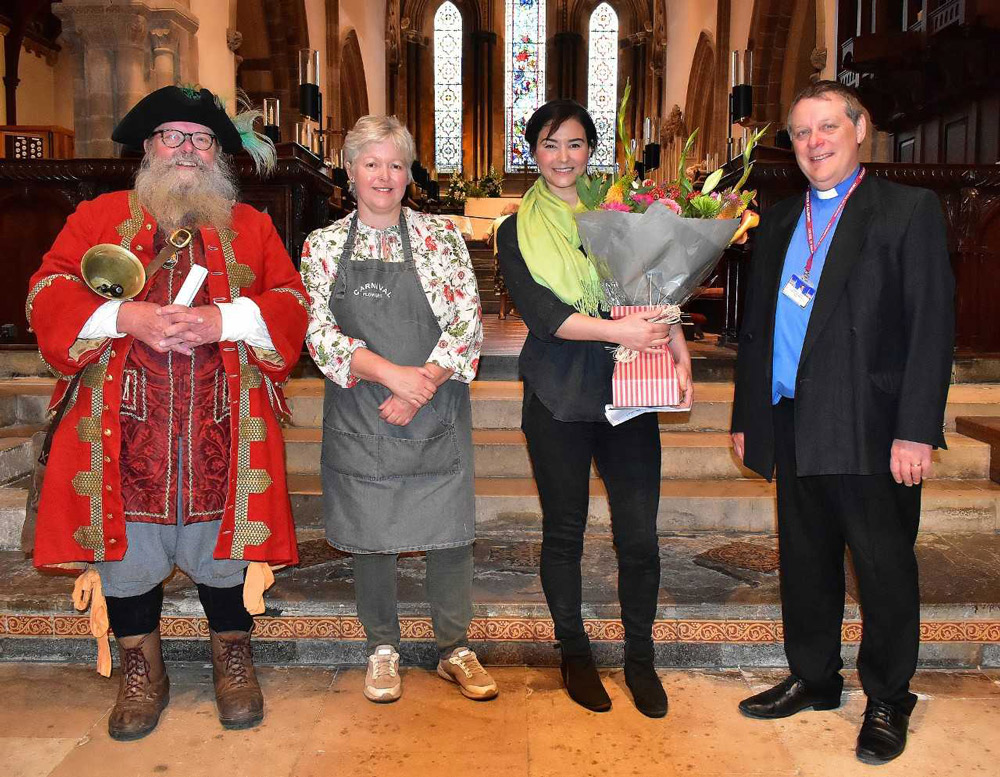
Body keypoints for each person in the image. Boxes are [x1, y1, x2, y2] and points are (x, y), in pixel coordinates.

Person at [28, 85, 308, 740]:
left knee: (224, 546)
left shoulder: (251, 226)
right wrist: (127, 316)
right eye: (172, 137)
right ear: (148, 148)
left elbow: (292, 302)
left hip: (223, 421)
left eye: (201, 139)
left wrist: (222, 321)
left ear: (218, 154)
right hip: (123, 424)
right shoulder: (98, 216)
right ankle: (141, 669)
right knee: (126, 548)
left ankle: (232, 657)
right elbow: (47, 290)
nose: (186, 149)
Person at [731, 81, 954, 764]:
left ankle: (888, 695)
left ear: (861, 129)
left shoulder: (906, 210)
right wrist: (749, 415)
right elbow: (756, 329)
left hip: (870, 423)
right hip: (792, 416)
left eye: (827, 126)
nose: (814, 142)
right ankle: (814, 676)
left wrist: (915, 428)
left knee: (883, 567)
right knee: (805, 560)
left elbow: (931, 329)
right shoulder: (779, 220)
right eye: (801, 132)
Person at [496, 100, 693, 717]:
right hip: (558, 394)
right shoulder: (514, 230)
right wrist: (618, 332)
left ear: (590, 152)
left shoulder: (620, 213)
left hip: (630, 389)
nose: (563, 157)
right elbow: (544, 316)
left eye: (575, 144)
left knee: (640, 536)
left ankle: (640, 659)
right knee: (564, 533)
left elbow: (656, 288)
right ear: (533, 152)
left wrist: (677, 345)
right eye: (550, 144)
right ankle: (575, 654)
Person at [301, 115, 496, 704]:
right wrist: (392, 377)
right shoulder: (323, 246)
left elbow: (467, 321)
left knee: (449, 531)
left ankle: (454, 647)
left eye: (395, 164)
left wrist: (423, 384)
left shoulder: (442, 238)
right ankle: (381, 647)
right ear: (350, 171)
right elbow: (319, 333)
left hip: (435, 404)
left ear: (409, 174)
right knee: (371, 529)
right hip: (362, 406)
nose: (383, 175)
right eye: (371, 163)